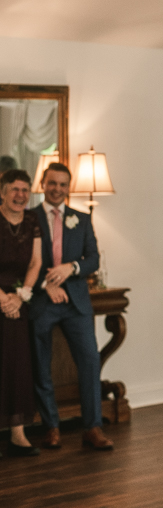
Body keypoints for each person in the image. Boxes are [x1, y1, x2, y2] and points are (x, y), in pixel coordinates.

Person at [30, 163, 113, 450]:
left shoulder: (82, 218)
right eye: (52, 183)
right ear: (43, 183)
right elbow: (19, 261)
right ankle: (51, 427)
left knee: (90, 361)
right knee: (41, 363)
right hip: (42, 302)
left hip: (77, 302)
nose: (57, 189)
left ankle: (92, 428)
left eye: (63, 184)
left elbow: (93, 259)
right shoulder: (29, 219)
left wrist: (71, 267)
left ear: (68, 187)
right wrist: (45, 284)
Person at [0, 170, 42, 457]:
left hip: (18, 298)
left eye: (25, 190)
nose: (20, 195)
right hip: (1, 298)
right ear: (2, 192)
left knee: (18, 365)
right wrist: (3, 299)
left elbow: (36, 262)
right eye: (14, 189)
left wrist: (20, 296)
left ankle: (18, 433)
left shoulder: (32, 220)